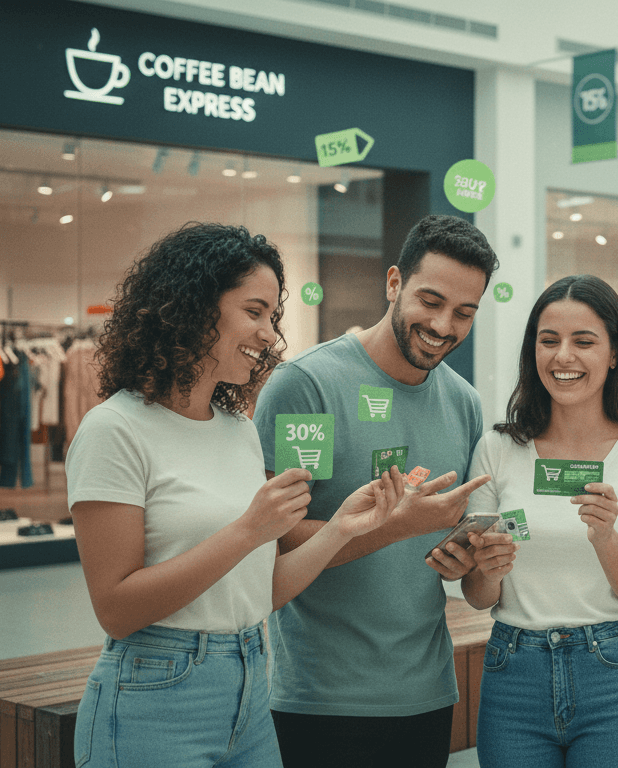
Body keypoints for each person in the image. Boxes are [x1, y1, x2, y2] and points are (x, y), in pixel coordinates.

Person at [66, 223, 405, 768]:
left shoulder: (238, 429)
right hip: (154, 693)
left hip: (250, 684)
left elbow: (259, 591)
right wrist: (249, 529)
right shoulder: (114, 430)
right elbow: (117, 609)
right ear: (194, 307)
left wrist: (343, 526)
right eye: (254, 312)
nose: (270, 334)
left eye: (272, 316)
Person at [252, 214, 497, 768]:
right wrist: (396, 527)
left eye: (464, 312)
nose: (443, 325)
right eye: (430, 301)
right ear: (393, 284)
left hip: (428, 695)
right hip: (322, 701)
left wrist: (465, 554)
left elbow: (443, 551)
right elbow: (278, 537)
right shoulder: (309, 386)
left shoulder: (463, 403)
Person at [450, 275, 618, 768]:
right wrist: (487, 567)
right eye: (549, 340)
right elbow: (479, 595)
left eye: (584, 342)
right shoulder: (498, 448)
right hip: (513, 673)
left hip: (613, 674)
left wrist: (605, 537)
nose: (563, 358)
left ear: (615, 353)